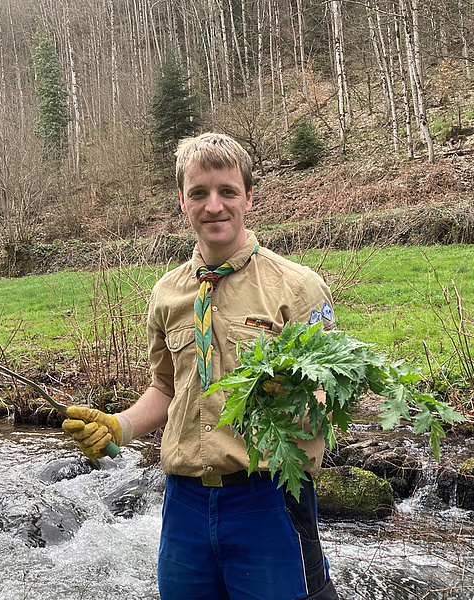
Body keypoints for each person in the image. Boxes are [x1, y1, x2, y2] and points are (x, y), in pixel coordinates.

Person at [63, 132, 340, 600]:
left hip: (269, 499)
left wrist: (294, 397)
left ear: (249, 197)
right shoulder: (167, 294)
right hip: (185, 504)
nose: (214, 206)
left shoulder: (298, 287)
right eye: (200, 193)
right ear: (182, 201)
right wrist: (118, 427)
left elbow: (333, 390)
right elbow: (167, 390)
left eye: (228, 191)